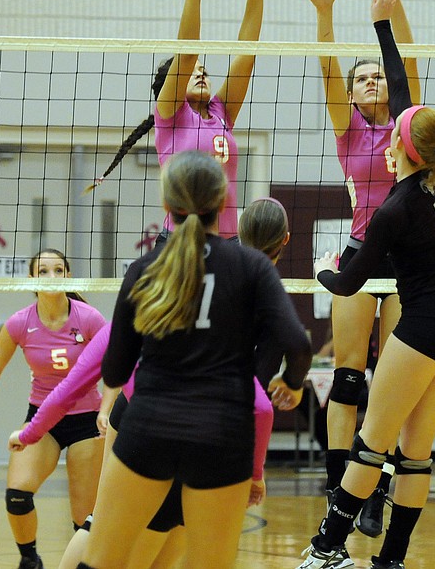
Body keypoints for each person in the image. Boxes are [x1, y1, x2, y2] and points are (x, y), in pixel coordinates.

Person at [296, 0, 435, 569]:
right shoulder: (434, 172)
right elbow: (394, 78)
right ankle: (391, 560)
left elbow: (347, 279)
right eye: (361, 80)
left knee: (376, 439)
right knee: (412, 446)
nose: (373, 85)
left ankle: (327, 547)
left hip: (403, 291)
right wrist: (365, 19)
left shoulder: (394, 202)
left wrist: (323, 271)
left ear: (401, 143)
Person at [77, 150, 311, 569]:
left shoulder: (146, 268)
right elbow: (297, 343)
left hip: (150, 428)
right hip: (222, 437)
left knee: (102, 559)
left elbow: (114, 370)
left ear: (168, 208)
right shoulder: (254, 266)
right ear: (223, 204)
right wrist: (293, 383)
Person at [297, 0, 421, 538]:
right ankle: (339, 487)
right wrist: (325, 14)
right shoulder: (348, 128)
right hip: (358, 250)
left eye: (377, 75)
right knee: (348, 377)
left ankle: (378, 488)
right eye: (362, 77)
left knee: (389, 378)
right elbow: (327, 69)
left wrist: (391, 6)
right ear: (350, 92)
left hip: (404, 261)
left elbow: (411, 69)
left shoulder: (406, 126)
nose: (372, 80)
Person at [89, 0, 275, 239]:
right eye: (193, 72)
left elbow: (246, 57)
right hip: (180, 241)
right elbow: (187, 54)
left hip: (226, 243)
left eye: (205, 70)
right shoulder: (171, 113)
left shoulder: (220, 113)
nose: (201, 74)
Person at [0, 249, 108, 569]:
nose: (52, 277)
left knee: (82, 516)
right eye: (44, 271)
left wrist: (106, 410)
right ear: (31, 279)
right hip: (42, 419)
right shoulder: (20, 322)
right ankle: (30, 560)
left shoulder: (88, 318)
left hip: (87, 421)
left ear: (69, 276)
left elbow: (114, 368)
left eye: (59, 270)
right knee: (17, 495)